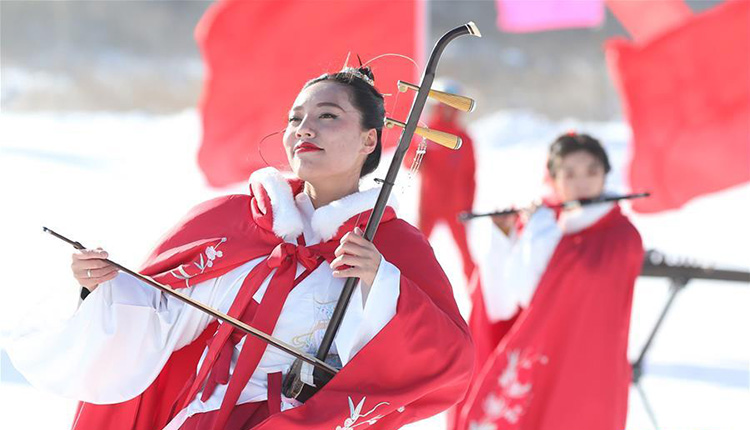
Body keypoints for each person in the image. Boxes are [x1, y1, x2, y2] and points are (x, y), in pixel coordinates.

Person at [7, 67, 474, 430]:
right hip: (210, 414)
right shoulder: (235, 219)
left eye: (327, 116)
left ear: (369, 139)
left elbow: (445, 357)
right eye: (295, 119)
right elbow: (162, 314)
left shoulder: (392, 245)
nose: (304, 130)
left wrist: (381, 281)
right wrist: (100, 287)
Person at [451, 133, 644, 430]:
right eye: (569, 174)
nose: (581, 182)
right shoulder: (543, 225)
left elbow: (555, 281)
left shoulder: (621, 236)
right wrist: (506, 236)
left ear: (606, 174)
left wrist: (541, 232)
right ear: (553, 179)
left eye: (591, 171)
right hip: (541, 355)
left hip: (591, 362)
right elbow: (509, 301)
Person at [403, 78, 477, 282]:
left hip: (456, 207)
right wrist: (418, 157)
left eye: (453, 107)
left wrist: (469, 208)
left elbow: (471, 177)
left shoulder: (464, 138)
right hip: (429, 206)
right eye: (444, 106)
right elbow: (409, 162)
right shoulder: (426, 133)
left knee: (467, 258)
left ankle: (476, 294)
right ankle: (406, 285)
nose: (448, 111)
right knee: (415, 251)